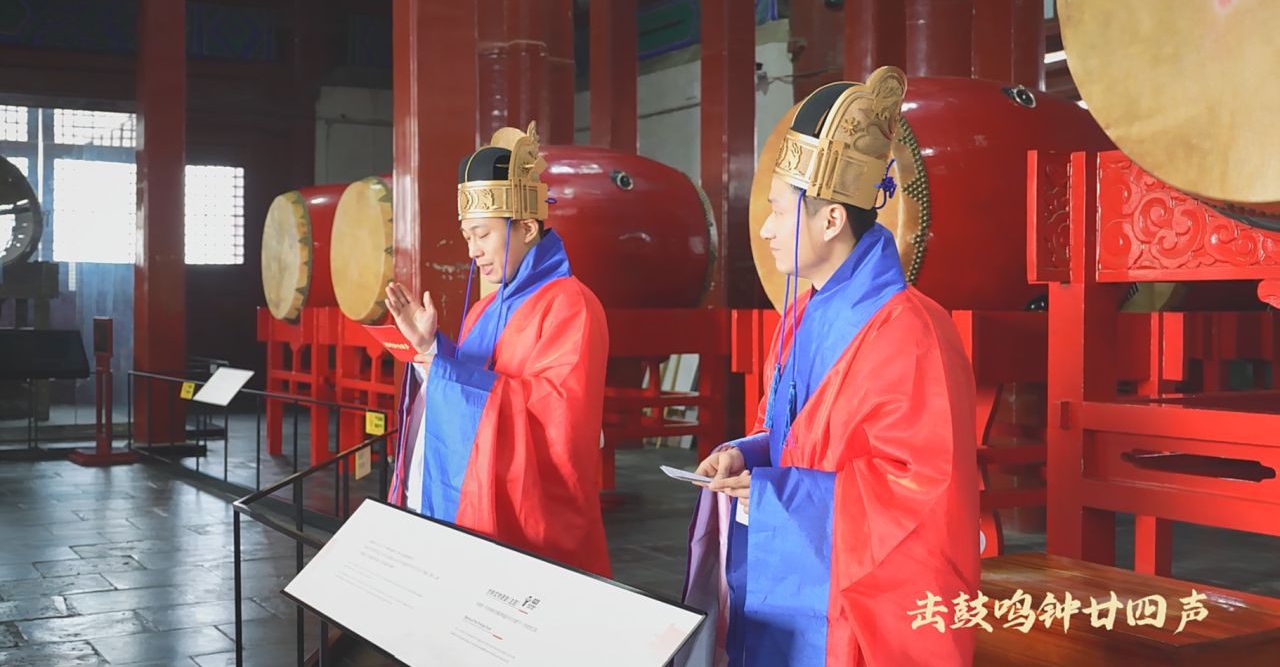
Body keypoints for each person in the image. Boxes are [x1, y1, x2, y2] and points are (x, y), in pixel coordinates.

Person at [678, 67, 980, 666]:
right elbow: (793, 437)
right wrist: (748, 456)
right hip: (795, 567)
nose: (765, 230)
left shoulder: (913, 330)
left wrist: (782, 493)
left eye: (778, 212)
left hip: (855, 604)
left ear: (832, 219)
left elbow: (922, 501)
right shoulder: (798, 315)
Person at [383, 122, 611, 577]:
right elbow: (471, 379)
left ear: (526, 227)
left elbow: (559, 423)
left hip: (532, 513)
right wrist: (429, 348)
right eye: (467, 236)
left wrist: (442, 366)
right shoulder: (483, 309)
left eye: (483, 234)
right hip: (473, 495)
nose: (473, 251)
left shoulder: (571, 304)